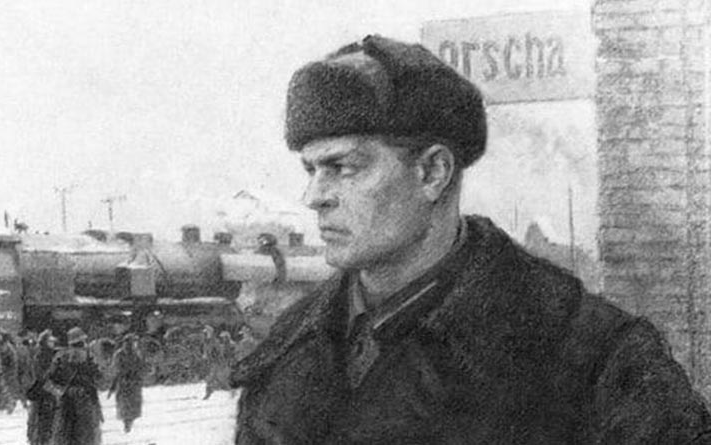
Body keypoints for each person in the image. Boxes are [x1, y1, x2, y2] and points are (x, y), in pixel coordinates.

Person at [230, 35, 711, 444]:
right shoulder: (289, 346)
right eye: (311, 170)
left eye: (342, 167)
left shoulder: (592, 355)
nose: (314, 196)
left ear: (432, 172)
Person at [43, 326, 103, 445]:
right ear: (82, 341)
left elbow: (49, 381)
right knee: (87, 433)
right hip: (85, 398)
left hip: (66, 399)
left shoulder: (60, 356)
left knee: (65, 432)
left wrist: (59, 393)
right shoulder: (88, 356)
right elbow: (99, 376)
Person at [108, 333, 149, 433]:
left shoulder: (137, 354)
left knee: (132, 405)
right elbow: (116, 370)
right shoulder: (119, 355)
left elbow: (142, 367)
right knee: (125, 405)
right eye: (131, 342)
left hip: (134, 384)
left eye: (134, 342)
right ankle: (127, 423)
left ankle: (129, 423)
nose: (133, 345)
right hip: (124, 384)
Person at [26, 329, 59, 445]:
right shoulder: (41, 356)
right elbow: (41, 376)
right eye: (50, 341)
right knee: (43, 421)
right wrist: (53, 388)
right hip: (44, 391)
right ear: (45, 342)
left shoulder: (53, 354)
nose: (53, 342)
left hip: (50, 390)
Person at [0, 329, 20, 413]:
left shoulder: (9, 348)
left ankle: (10, 404)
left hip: (8, 371)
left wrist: (9, 370)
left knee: (7, 388)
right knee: (0, 388)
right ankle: (2, 404)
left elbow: (13, 362)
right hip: (0, 371)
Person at [201, 325, 233, 400]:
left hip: (218, 362)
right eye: (205, 332)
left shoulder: (215, 341)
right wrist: (206, 355)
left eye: (207, 332)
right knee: (212, 378)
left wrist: (220, 360)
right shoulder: (206, 341)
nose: (205, 333)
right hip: (212, 363)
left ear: (211, 332)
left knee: (218, 378)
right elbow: (206, 351)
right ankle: (209, 392)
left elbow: (219, 352)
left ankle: (231, 391)